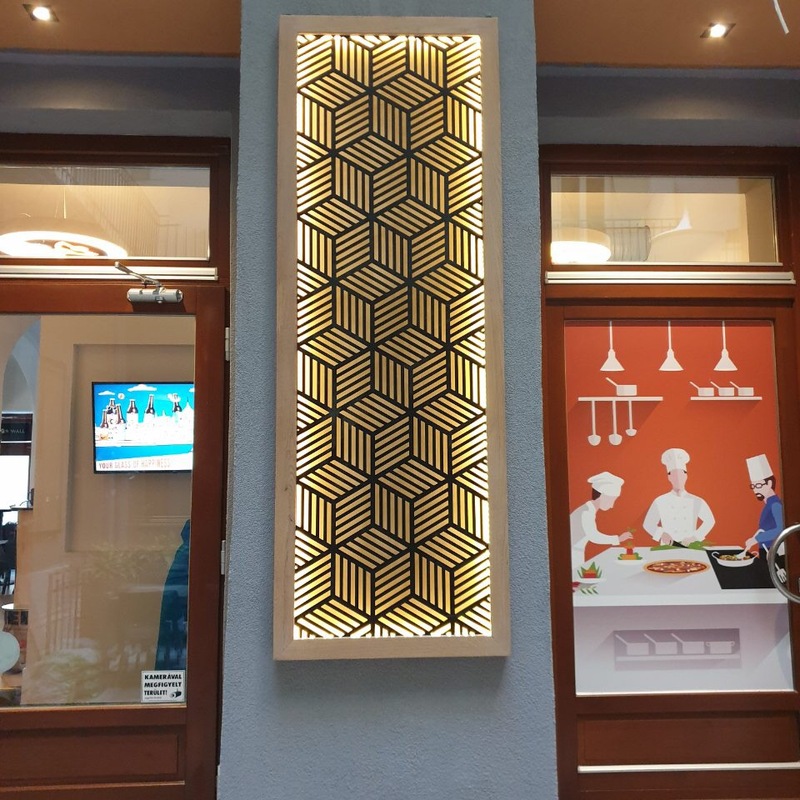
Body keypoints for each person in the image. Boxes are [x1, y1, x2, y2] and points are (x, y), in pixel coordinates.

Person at [643, 448, 715, 546]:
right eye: (674, 476)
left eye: (681, 475)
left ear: (686, 476)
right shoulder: (660, 501)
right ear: (669, 477)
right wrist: (662, 534)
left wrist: (695, 537)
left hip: (690, 546)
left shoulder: (697, 501)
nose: (678, 479)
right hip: (667, 546)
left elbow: (710, 521)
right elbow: (648, 523)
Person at [569, 471, 632, 574]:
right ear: (602, 496)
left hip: (576, 553)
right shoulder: (586, 513)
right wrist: (618, 539)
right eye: (611, 500)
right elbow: (594, 536)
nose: (612, 505)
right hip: (572, 555)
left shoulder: (588, 510)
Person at [743, 454, 784, 554]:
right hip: (766, 549)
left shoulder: (775, 504)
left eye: (758, 485)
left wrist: (756, 539)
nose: (755, 490)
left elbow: (780, 529)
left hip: (774, 550)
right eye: (753, 486)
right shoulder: (768, 504)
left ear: (769, 483)